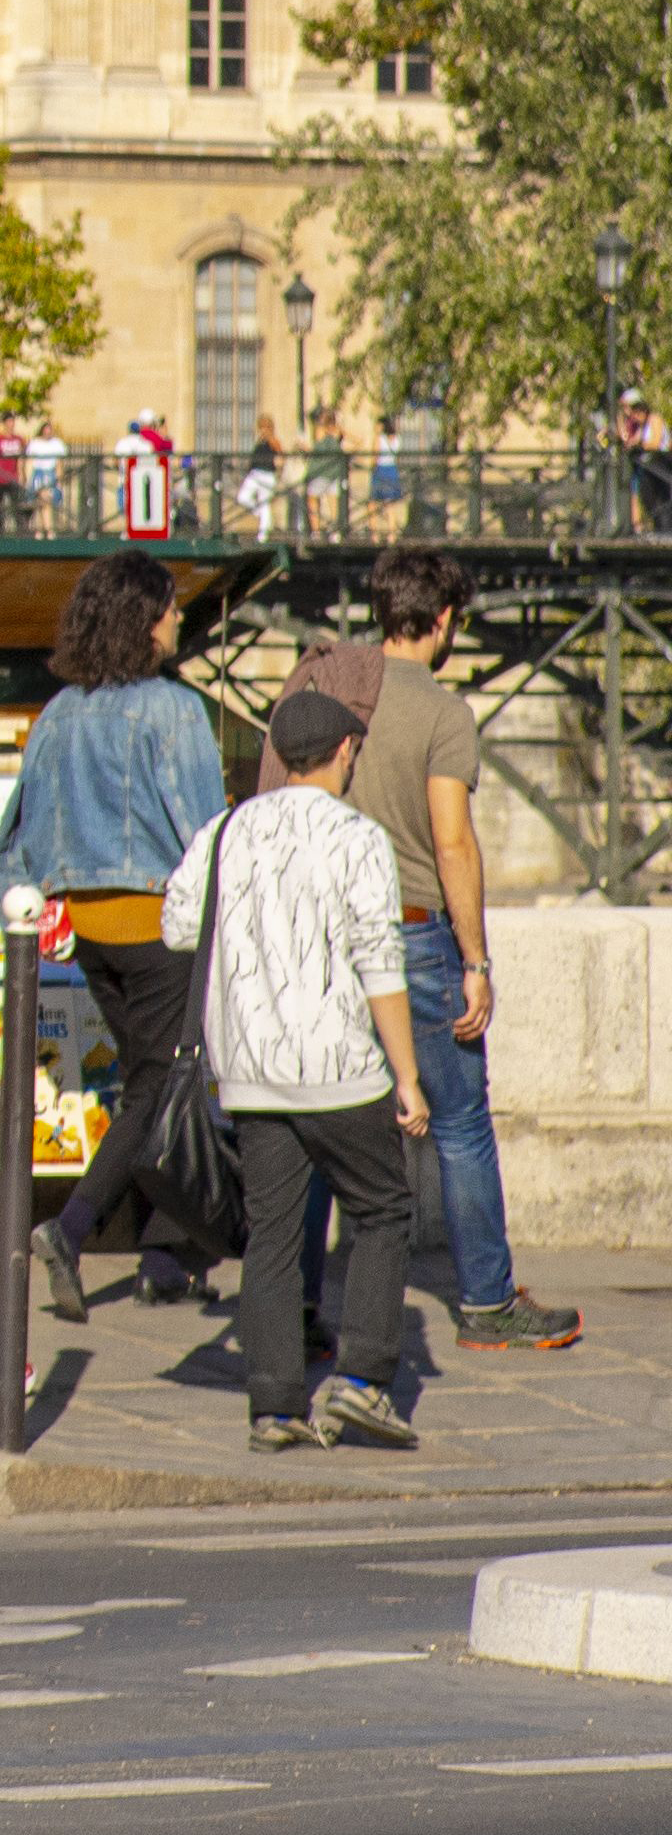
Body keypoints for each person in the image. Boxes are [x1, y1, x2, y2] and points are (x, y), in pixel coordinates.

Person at [300, 553, 578, 1351]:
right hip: (412, 931)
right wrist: (476, 962)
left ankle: (300, 1305)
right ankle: (487, 1303)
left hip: (330, 932)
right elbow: (452, 841)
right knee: (459, 1124)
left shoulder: (338, 691)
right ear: (446, 618)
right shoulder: (442, 711)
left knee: (319, 1126)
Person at [169, 686, 437, 1450]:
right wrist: (407, 1076)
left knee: (274, 1235)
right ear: (345, 751)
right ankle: (364, 1379)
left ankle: (275, 1405)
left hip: (251, 1069)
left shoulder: (225, 830)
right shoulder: (357, 837)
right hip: (338, 1065)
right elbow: (379, 961)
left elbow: (179, 925)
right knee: (383, 1211)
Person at [0, 550, 229, 1329]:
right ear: (145, 620)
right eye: (169, 607)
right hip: (158, 923)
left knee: (149, 1080)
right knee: (162, 1086)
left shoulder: (58, 713)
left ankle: (166, 1257)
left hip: (89, 929)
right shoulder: (173, 710)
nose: (178, 618)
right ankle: (71, 1228)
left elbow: (20, 831)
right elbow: (206, 834)